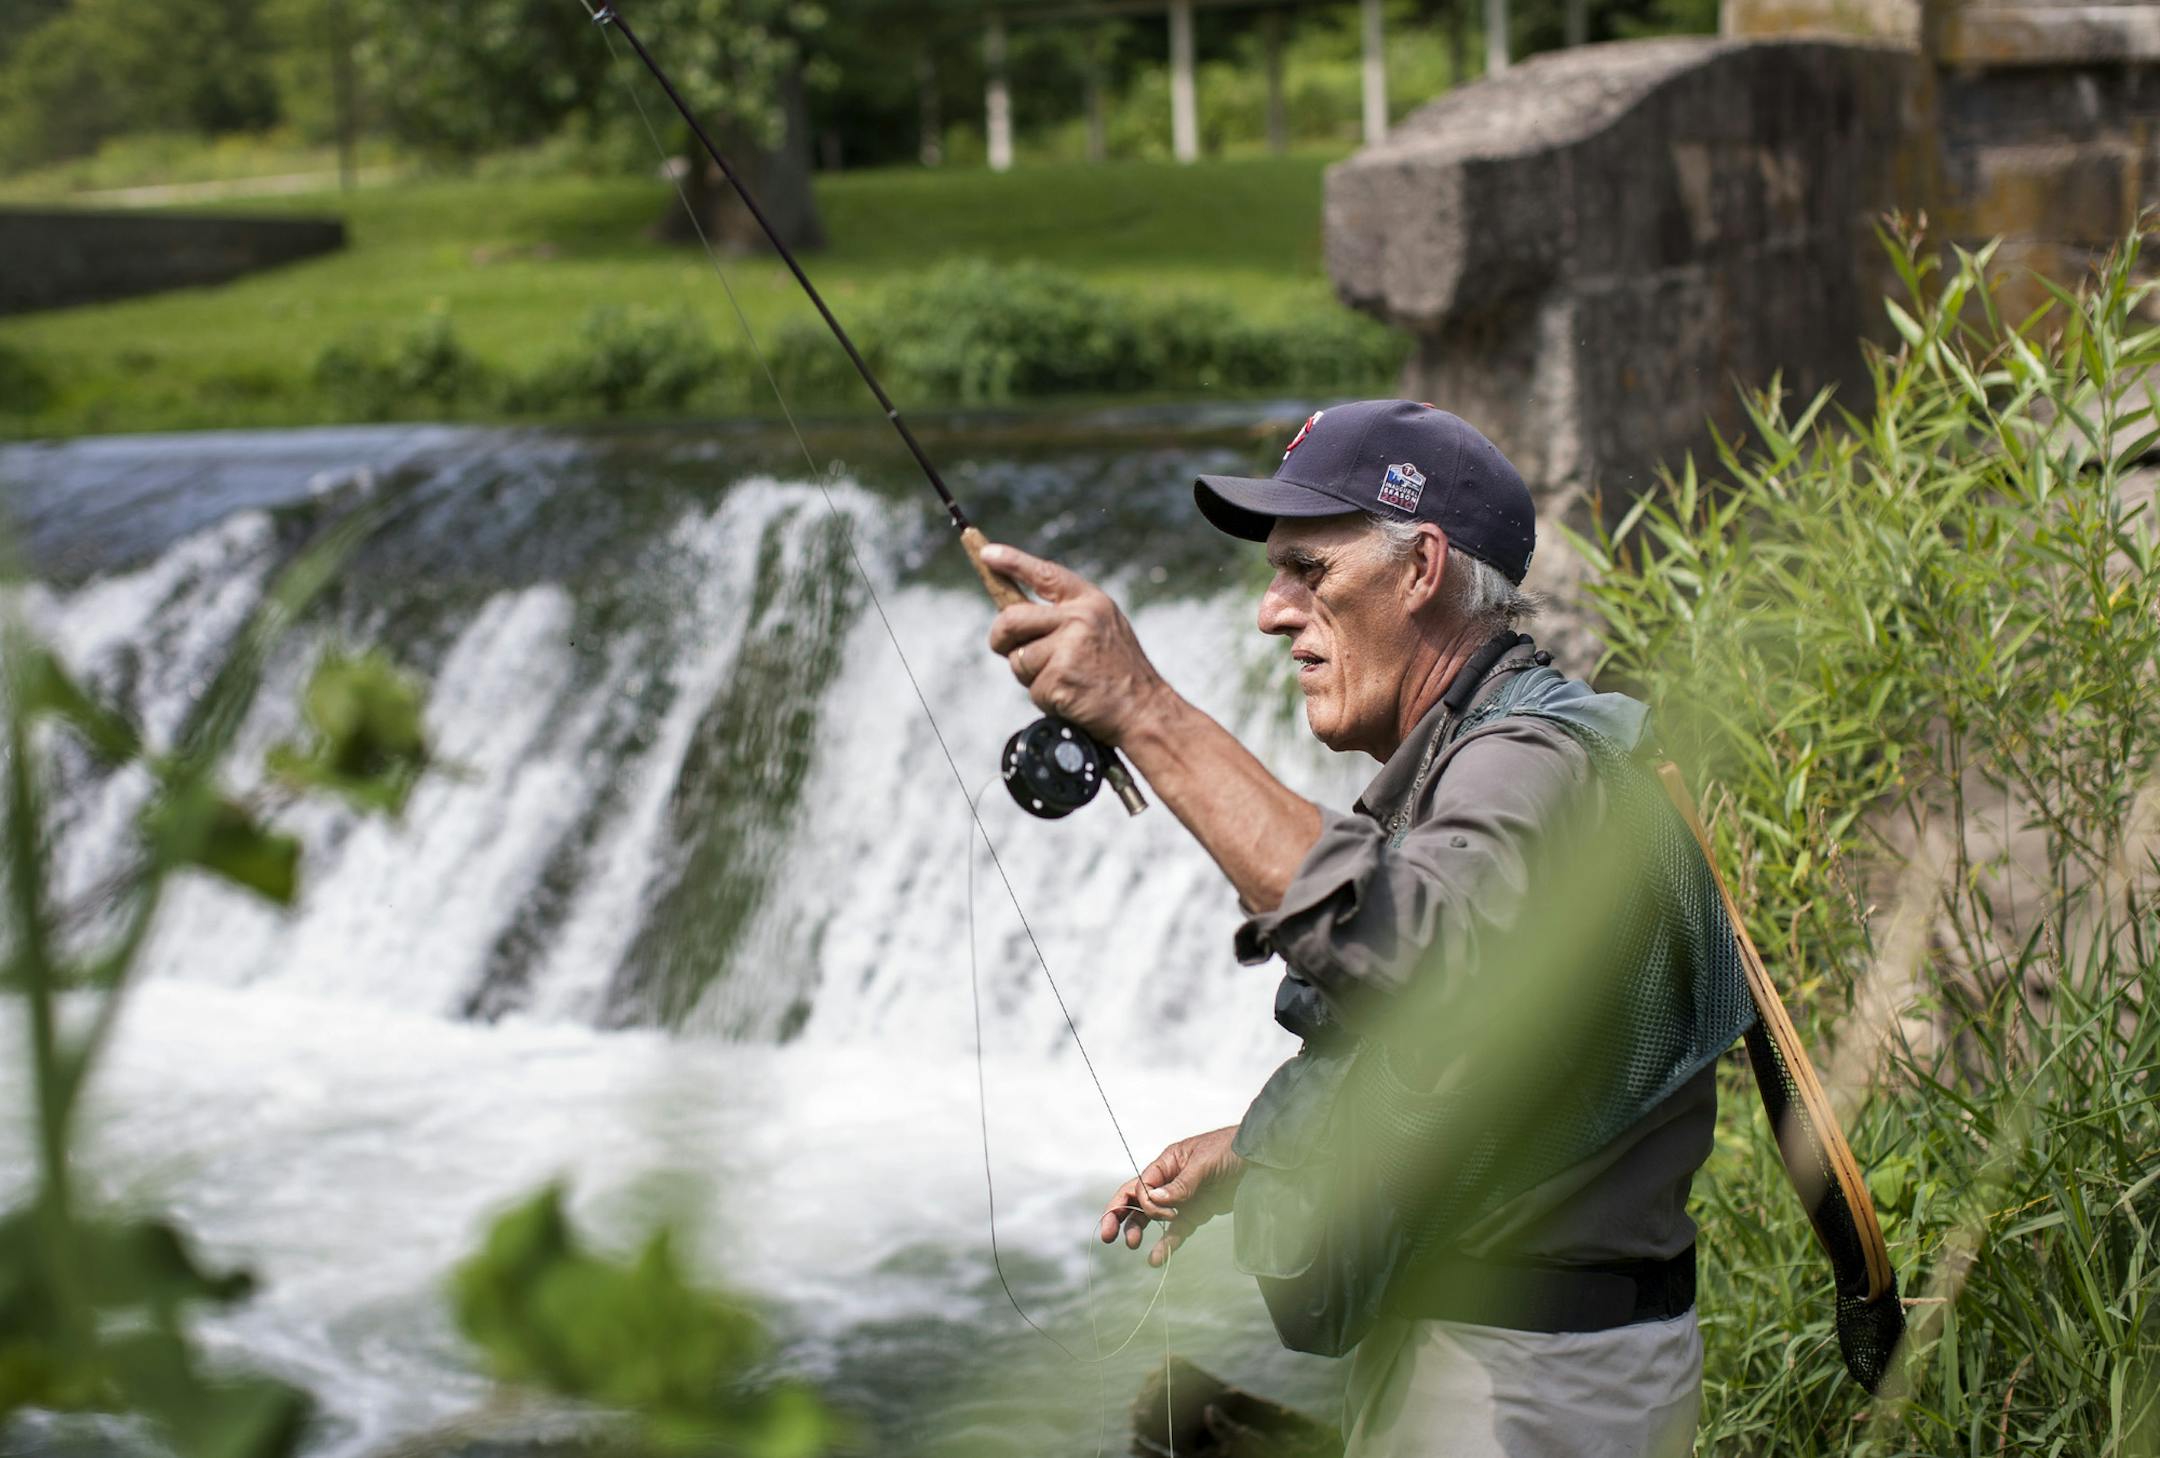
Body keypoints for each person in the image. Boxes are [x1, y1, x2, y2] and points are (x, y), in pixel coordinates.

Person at [980, 400, 1752, 1458]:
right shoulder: (1480, 746)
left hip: (1531, 1385)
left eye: (1310, 570)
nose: (1271, 610)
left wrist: (1145, 710)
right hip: (1515, 1362)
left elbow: (1417, 953)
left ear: (1422, 567)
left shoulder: (1527, 761)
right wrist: (1264, 1153)